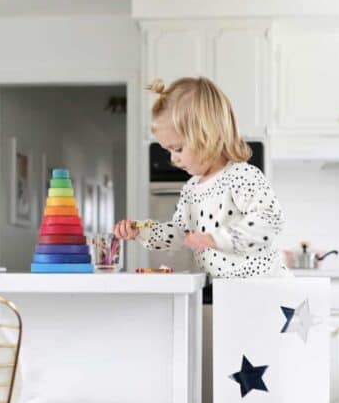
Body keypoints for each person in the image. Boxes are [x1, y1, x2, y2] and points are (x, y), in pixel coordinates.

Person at [114, 77, 287, 278]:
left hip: (265, 286)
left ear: (207, 135)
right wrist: (143, 232)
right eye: (168, 151)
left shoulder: (241, 176)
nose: (173, 159)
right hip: (227, 291)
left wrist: (216, 240)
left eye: (177, 149)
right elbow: (179, 233)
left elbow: (270, 219)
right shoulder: (191, 189)